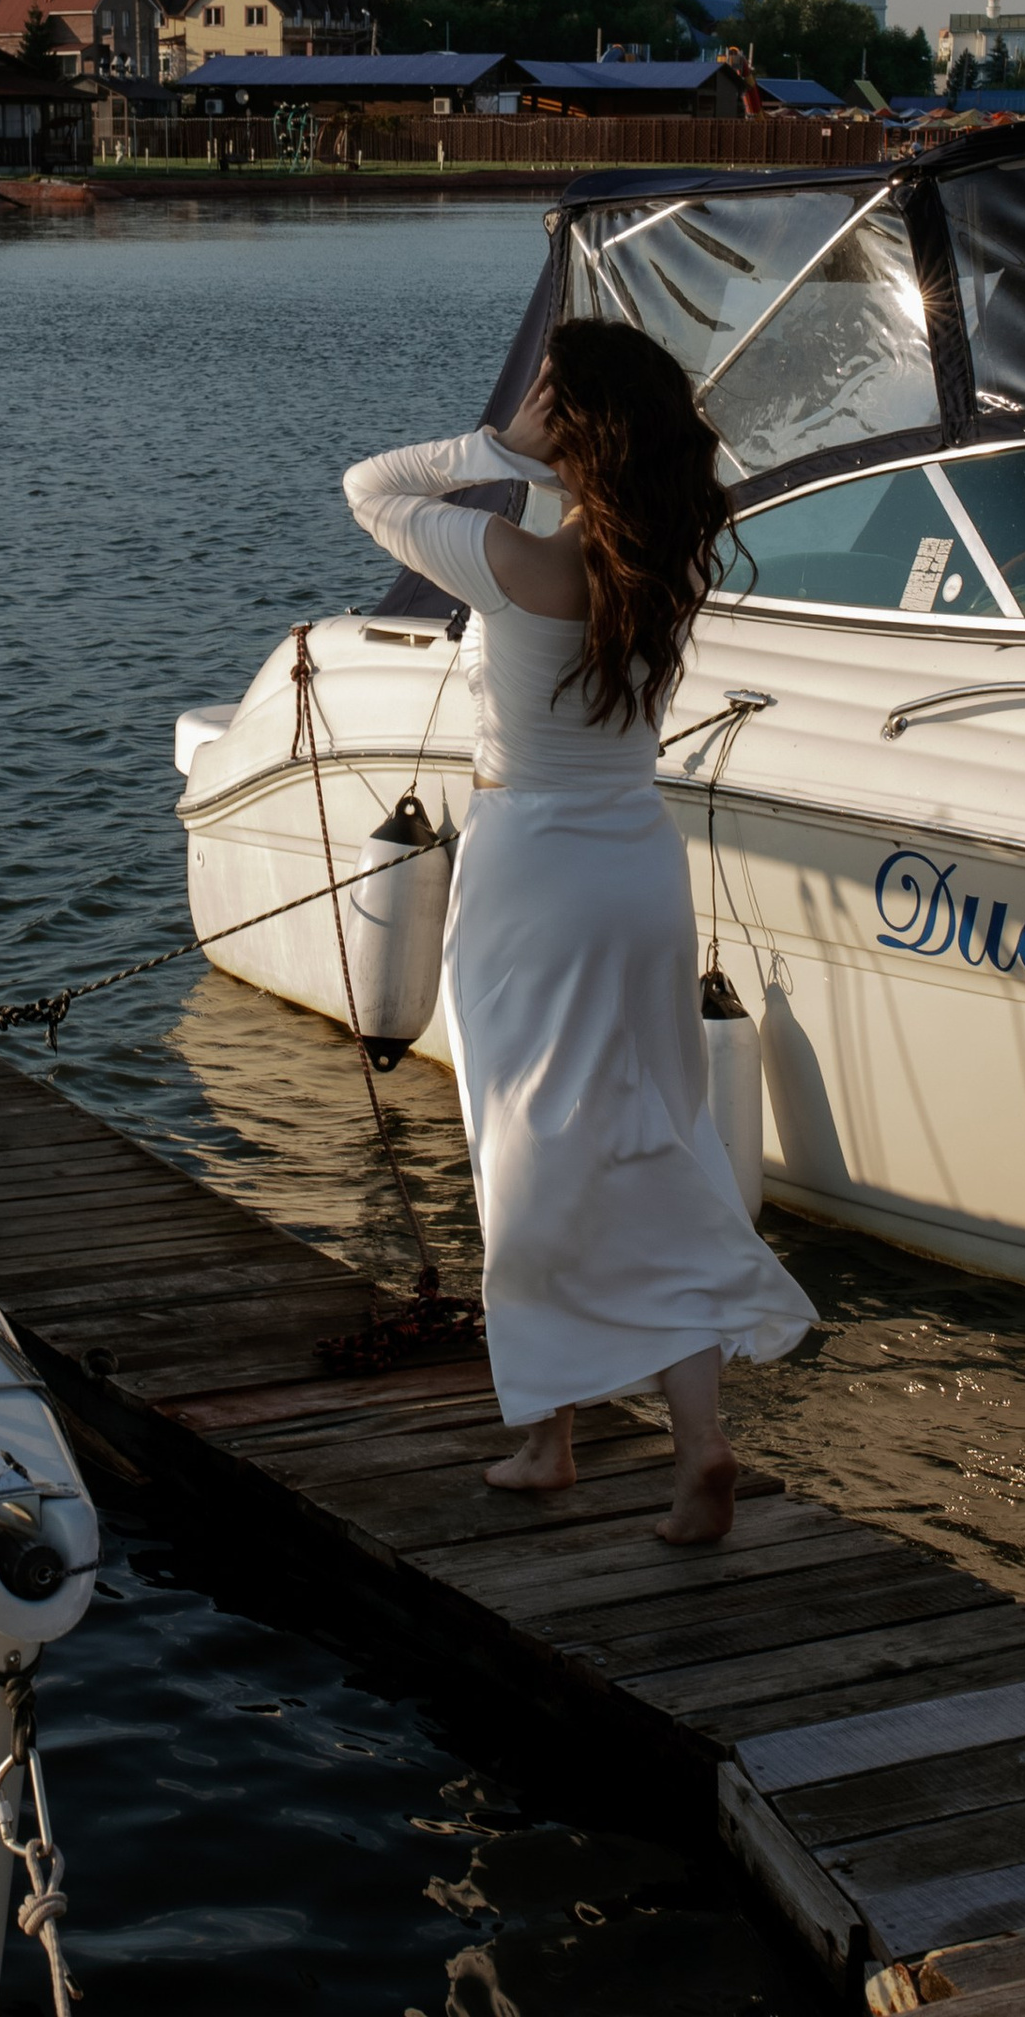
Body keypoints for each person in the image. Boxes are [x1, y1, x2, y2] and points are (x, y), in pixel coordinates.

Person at [342, 318, 814, 1544]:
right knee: (652, 1136)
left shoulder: (511, 560)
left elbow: (369, 487)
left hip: (533, 875)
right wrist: (561, 458)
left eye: (551, 391)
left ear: (574, 425)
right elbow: (593, 501)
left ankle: (559, 1438)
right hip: (638, 872)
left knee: (521, 1142)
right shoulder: (665, 556)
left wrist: (493, 446)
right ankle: (673, 1438)